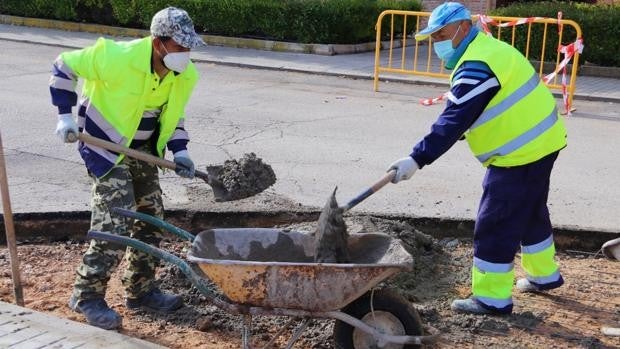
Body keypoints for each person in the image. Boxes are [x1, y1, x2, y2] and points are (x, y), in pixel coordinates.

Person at [387, 2, 567, 315]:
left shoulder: (476, 65)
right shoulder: (487, 49)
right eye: (432, 38)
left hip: (519, 154)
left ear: (464, 28)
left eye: (440, 35)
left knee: (495, 221)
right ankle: (544, 276)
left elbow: (453, 120)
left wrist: (416, 159)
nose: (436, 44)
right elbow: (470, 114)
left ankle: (492, 298)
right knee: (531, 210)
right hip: (542, 143)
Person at [49, 7, 205, 329]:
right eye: (180, 46)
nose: (186, 54)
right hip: (104, 145)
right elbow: (64, 65)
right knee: (116, 219)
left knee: (151, 217)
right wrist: (64, 116)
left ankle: (140, 289)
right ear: (159, 42)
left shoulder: (184, 74)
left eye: (189, 48)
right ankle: (86, 295)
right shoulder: (116, 57)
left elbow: (173, 116)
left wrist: (182, 151)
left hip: (143, 149)